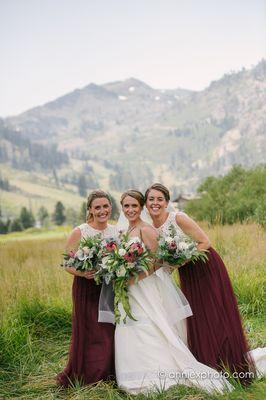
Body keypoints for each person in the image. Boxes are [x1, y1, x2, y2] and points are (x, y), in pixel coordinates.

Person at [115, 189, 232, 394]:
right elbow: (159, 259)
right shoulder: (126, 231)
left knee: (203, 314)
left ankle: (219, 354)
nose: (131, 209)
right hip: (151, 281)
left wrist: (137, 277)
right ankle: (135, 371)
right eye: (127, 206)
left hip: (201, 265)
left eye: (135, 205)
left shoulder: (153, 226)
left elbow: (158, 261)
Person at [145, 183, 256, 384]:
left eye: (160, 199)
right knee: (198, 316)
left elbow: (205, 242)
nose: (155, 203)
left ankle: (232, 362)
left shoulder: (177, 218)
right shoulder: (149, 228)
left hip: (206, 266)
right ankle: (211, 361)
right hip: (188, 273)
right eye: (151, 199)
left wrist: (181, 260)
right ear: (146, 204)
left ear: (167, 202)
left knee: (215, 313)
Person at [57, 190, 117, 387]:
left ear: (110, 207)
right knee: (91, 331)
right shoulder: (80, 231)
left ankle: (106, 372)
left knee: (108, 331)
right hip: (86, 288)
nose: (102, 211)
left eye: (105, 206)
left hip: (108, 288)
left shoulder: (116, 232)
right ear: (90, 210)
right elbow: (67, 264)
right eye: (97, 207)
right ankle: (89, 375)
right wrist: (83, 273)